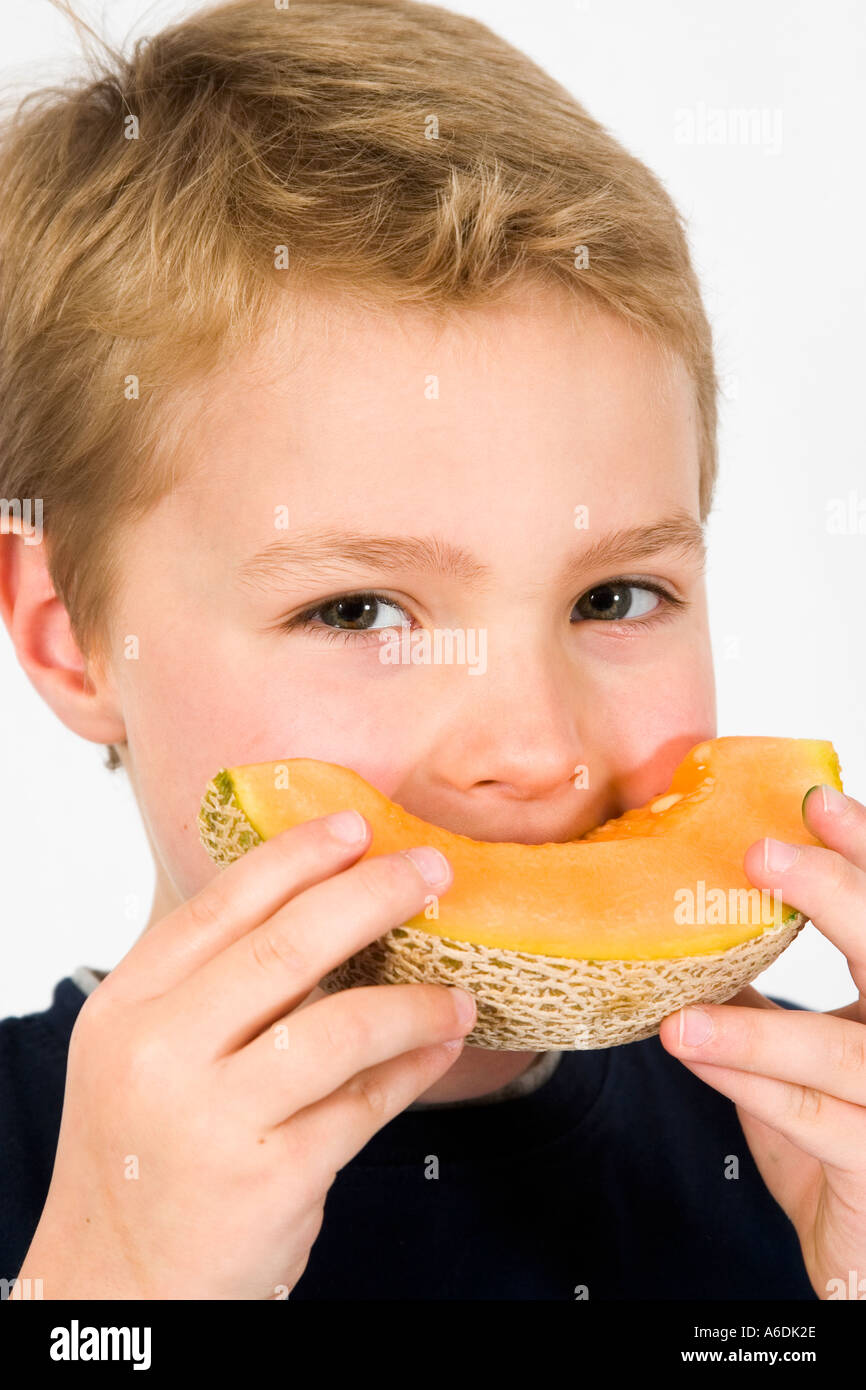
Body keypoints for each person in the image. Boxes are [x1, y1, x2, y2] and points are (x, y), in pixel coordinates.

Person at [1, 0, 864, 1301]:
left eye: (616, 595)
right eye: (359, 610)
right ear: (70, 638)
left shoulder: (814, 1159)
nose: (532, 749)